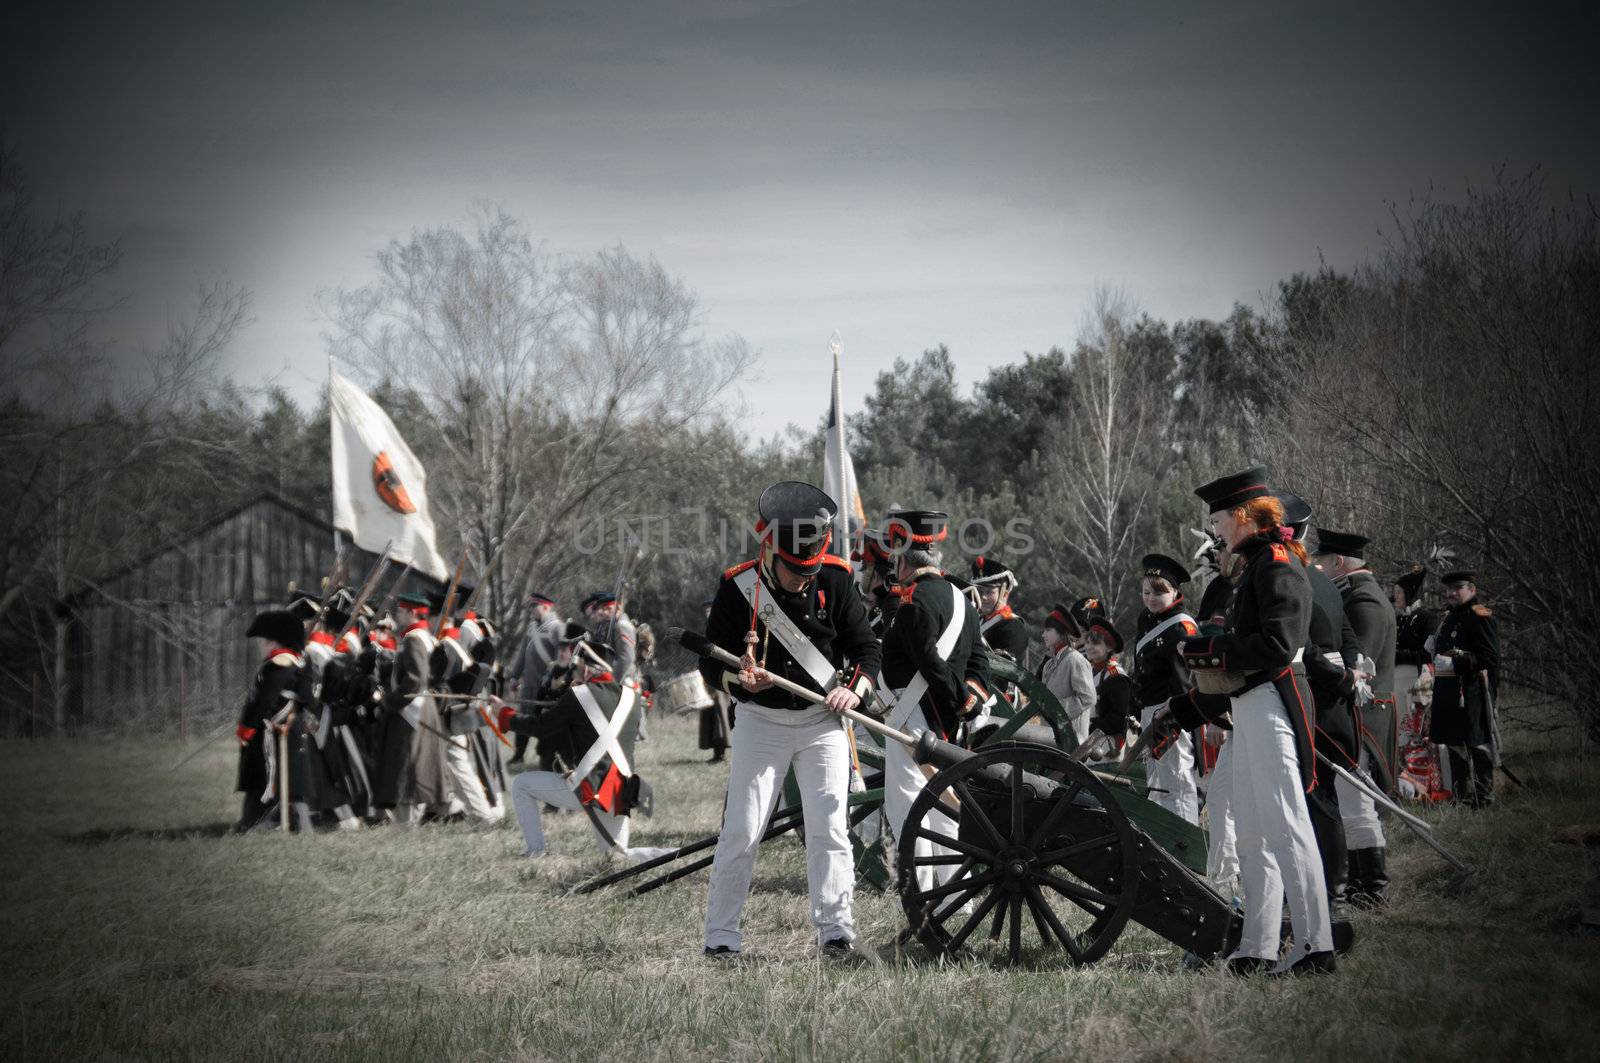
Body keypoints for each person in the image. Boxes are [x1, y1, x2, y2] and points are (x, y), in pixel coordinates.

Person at [1153, 466, 1334, 976]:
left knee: (1285, 823)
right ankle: (1258, 945)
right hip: (1252, 704)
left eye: (1217, 519)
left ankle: (1315, 945)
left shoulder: (1277, 564)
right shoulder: (1253, 567)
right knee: (1253, 832)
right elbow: (1237, 675)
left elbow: (1279, 646)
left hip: (1275, 701)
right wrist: (1185, 707)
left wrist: (1211, 649)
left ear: (1240, 516)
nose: (1214, 530)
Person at [699, 481, 881, 958]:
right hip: (760, 722)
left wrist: (852, 689)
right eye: (796, 569)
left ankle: (836, 933)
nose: (805, 577)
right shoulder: (739, 586)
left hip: (822, 721)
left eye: (811, 569)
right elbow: (709, 664)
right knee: (742, 827)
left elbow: (865, 649)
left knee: (829, 829)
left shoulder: (837, 579)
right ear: (771, 552)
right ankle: (721, 938)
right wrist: (740, 682)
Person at [879, 509, 991, 897]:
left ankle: (920, 898)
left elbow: (929, 661)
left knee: (907, 808)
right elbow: (979, 660)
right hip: (947, 717)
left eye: (895, 557)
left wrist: (958, 697)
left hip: (914, 715)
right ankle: (956, 899)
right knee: (946, 806)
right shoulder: (961, 600)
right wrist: (970, 698)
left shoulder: (913, 604)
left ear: (904, 559)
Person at [506, 641, 669, 861]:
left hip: (591, 787)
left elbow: (542, 728)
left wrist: (506, 716)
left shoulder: (578, 696)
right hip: (621, 791)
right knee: (618, 857)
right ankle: (674, 855)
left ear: (584, 668)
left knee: (521, 785)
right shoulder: (633, 698)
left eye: (576, 667)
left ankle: (536, 852)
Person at [1314, 528, 1397, 908]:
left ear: (1340, 563)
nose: (1320, 566)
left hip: (1364, 715)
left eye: (1325, 561)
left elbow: (1359, 662)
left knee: (1356, 802)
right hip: (1355, 712)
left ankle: (1371, 887)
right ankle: (1361, 884)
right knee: (1350, 800)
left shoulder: (1364, 601)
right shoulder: (1353, 595)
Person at [1131, 553, 1202, 825]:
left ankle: (1184, 839)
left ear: (1175, 592)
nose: (1150, 598)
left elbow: (1183, 680)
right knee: (1157, 780)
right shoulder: (1146, 619)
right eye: (1146, 592)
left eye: (1158, 593)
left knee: (1178, 780)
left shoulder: (1181, 627)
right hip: (1150, 709)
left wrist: (1170, 720)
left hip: (1171, 711)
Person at [1427, 570, 1501, 808]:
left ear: (1472, 589)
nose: (1451, 593)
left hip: (1471, 690)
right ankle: (1459, 796)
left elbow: (1490, 658)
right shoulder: (1449, 617)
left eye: (1457, 588)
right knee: (1452, 743)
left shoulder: (1481, 615)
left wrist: (1457, 662)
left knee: (1476, 743)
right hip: (1447, 690)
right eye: (1449, 589)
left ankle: (1483, 797)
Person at [235, 609, 306, 832]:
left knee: (262, 781)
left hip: (270, 734)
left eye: (263, 641)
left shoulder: (278, 665)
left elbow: (262, 702)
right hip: (284, 731)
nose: (261, 645)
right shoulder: (295, 663)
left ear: (273, 642)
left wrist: (246, 729)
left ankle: (253, 822)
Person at [510, 592, 564, 765]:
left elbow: (561, 659)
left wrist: (554, 681)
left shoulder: (557, 628)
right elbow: (522, 655)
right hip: (529, 684)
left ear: (546, 606)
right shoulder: (532, 627)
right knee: (523, 721)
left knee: (544, 723)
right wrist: (514, 676)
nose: (531, 610)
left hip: (545, 686)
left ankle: (545, 758)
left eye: (535, 606)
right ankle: (518, 755)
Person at [1039, 602, 1097, 746]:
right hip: (1050, 736)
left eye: (1048, 630)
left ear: (1061, 632)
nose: (1043, 634)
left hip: (1072, 737)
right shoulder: (1049, 664)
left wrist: (1056, 709)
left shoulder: (1075, 660)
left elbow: (1088, 698)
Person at [1081, 617, 1136, 758]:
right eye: (1087, 642)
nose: (1088, 647)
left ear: (1109, 648)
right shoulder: (1090, 669)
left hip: (1106, 743)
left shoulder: (1116, 676)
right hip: (1088, 735)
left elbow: (1117, 719)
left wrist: (1087, 727)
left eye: (1095, 643)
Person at [971, 556, 1029, 663]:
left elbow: (1004, 667)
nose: (983, 597)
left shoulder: (1014, 627)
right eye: (979, 591)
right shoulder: (975, 621)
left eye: (989, 592)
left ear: (1004, 593)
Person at [697, 596, 733, 762]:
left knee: (721, 713)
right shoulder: (709, 627)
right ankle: (714, 751)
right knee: (710, 712)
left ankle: (721, 752)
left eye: (710, 609)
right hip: (709, 675)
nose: (707, 612)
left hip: (721, 675)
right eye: (706, 610)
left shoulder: (725, 626)